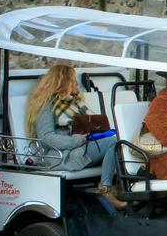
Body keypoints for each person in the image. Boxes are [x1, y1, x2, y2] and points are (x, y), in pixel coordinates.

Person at [25, 63, 123, 208]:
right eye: (72, 80)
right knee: (114, 142)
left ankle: (120, 188)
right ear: (62, 82)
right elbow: (46, 138)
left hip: (81, 147)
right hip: (65, 155)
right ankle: (106, 190)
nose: (76, 83)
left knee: (119, 141)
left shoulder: (74, 103)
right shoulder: (46, 106)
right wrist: (77, 140)